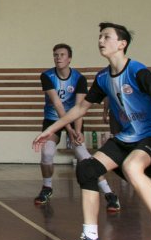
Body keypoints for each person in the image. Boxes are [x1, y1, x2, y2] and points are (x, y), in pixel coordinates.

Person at [33, 23, 151, 240]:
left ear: (122, 44)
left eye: (107, 37)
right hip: (128, 136)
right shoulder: (103, 78)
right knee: (87, 169)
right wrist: (51, 130)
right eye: (100, 37)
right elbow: (80, 108)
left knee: (132, 167)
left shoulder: (137, 71)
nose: (101, 40)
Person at [35, 43, 119, 211]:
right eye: (56, 55)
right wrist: (69, 129)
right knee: (47, 153)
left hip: (74, 118)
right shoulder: (47, 76)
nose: (58, 58)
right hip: (53, 119)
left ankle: (109, 193)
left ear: (69, 59)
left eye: (62, 55)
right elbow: (57, 104)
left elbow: (79, 106)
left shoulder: (79, 78)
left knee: (83, 155)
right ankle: (47, 187)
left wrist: (77, 131)